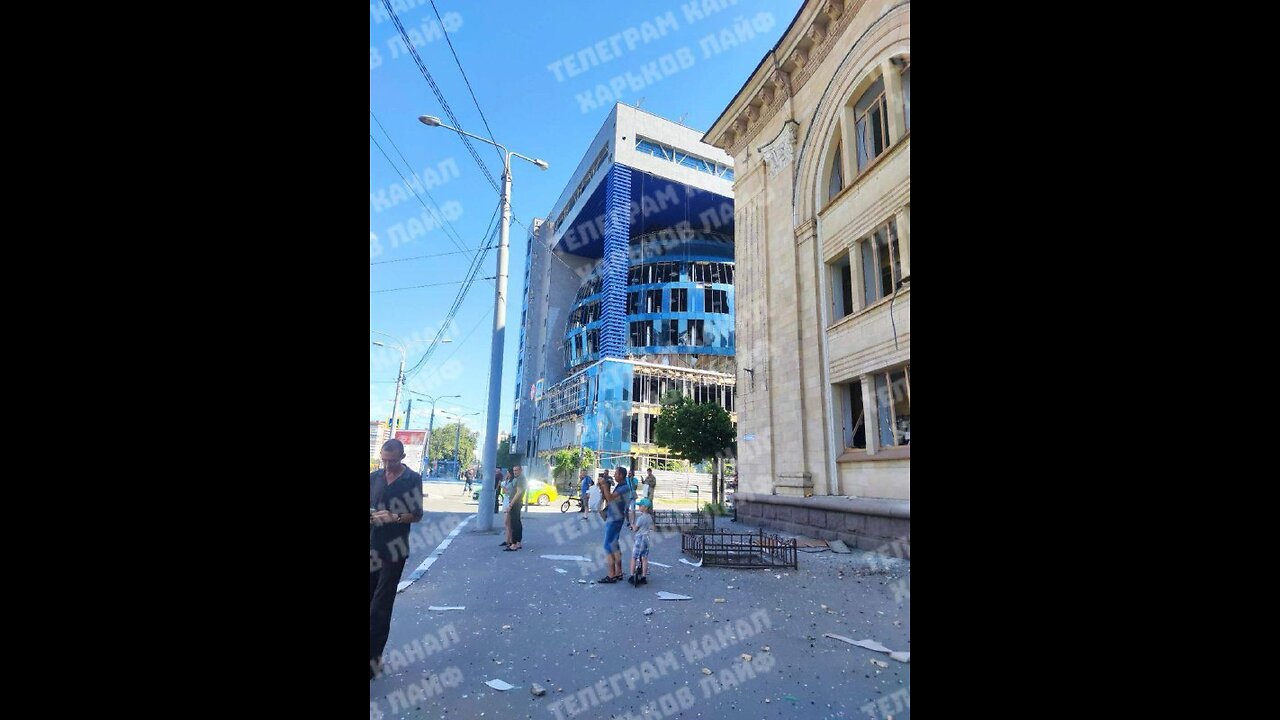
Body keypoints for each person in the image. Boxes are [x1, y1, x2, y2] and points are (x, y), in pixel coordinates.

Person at [370, 439, 423, 679]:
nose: (387, 465)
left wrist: (394, 518)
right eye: (384, 459)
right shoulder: (374, 477)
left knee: (381, 605)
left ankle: (374, 660)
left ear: (402, 457)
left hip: (395, 551)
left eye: (392, 460)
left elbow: (417, 515)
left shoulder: (412, 479)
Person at [597, 466, 633, 583]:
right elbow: (608, 499)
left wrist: (604, 486)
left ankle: (611, 575)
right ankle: (619, 572)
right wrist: (603, 488)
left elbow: (611, 498)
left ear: (621, 475)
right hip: (615, 517)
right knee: (614, 545)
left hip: (615, 519)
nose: (614, 475)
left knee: (608, 546)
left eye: (616, 474)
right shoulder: (620, 486)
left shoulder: (624, 488)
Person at [628, 498, 654, 585]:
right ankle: (643, 577)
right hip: (647, 538)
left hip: (640, 538)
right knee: (644, 558)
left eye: (640, 505)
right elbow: (652, 527)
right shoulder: (649, 517)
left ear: (645, 507)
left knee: (634, 557)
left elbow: (635, 529)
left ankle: (631, 576)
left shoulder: (641, 518)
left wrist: (632, 525)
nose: (639, 507)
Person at [504, 466, 526, 551]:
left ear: (521, 470)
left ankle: (514, 544)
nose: (515, 472)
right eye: (514, 470)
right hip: (516, 502)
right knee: (517, 522)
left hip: (516, 503)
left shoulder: (520, 479)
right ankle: (518, 543)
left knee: (514, 524)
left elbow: (519, 492)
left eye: (516, 470)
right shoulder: (519, 478)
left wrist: (510, 505)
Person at [499, 468, 516, 547]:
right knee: (506, 523)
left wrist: (504, 487)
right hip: (505, 501)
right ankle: (507, 540)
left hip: (509, 502)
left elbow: (507, 491)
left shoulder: (513, 482)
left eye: (508, 473)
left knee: (508, 522)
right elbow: (503, 491)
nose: (506, 474)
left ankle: (511, 541)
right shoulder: (507, 481)